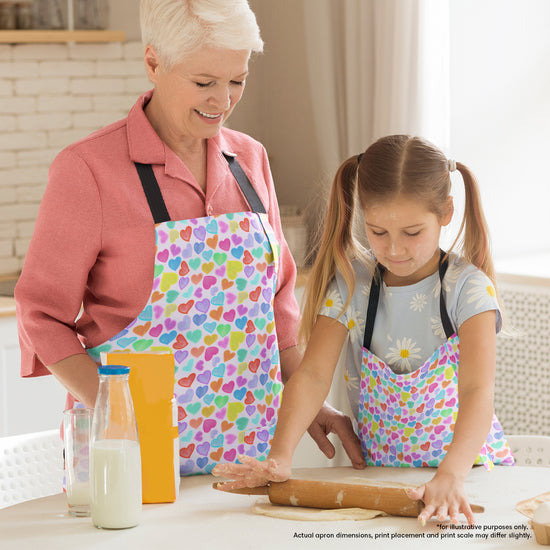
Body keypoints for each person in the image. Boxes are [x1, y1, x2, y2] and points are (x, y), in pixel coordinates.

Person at [14, 0, 361, 476]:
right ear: (153, 62)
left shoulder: (250, 160)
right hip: (130, 457)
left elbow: (276, 303)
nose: (223, 100)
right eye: (204, 83)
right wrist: (116, 410)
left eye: (237, 80)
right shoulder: (89, 170)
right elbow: (41, 315)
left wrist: (307, 400)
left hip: (248, 460)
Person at [213, 134, 515, 523]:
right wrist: (280, 455)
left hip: (466, 481)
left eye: (412, 232)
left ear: (445, 212)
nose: (394, 249)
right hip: (383, 483)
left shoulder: (468, 290)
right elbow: (312, 375)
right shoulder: (354, 285)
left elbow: (478, 392)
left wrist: (451, 475)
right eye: (377, 231)